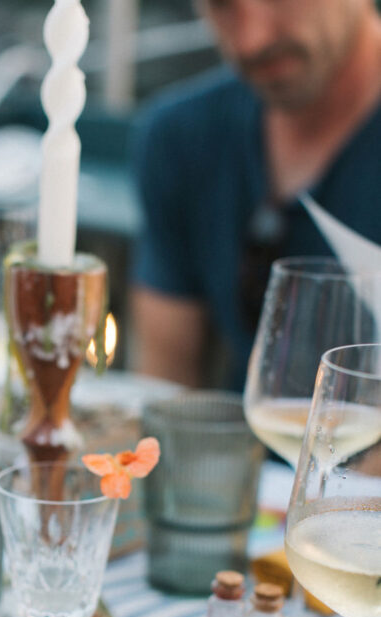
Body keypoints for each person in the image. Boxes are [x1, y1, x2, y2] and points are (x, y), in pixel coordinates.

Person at [130, 0, 381, 390]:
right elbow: (163, 389)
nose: (252, 41)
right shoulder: (183, 139)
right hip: (240, 446)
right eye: (222, 7)